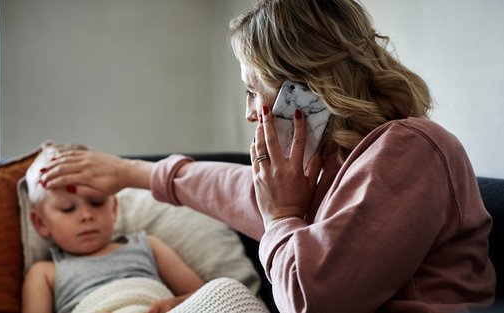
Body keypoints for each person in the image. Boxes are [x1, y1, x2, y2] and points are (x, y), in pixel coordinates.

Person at [38, 0, 496, 312]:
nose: (249, 112)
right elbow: (235, 191)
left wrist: (282, 214)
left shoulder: (412, 149)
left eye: (254, 90)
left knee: (224, 296)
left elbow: (312, 302)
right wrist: (129, 172)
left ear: (310, 83)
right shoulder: (335, 163)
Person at [21, 144, 204, 313]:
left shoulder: (148, 246)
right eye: (68, 208)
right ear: (41, 223)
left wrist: (175, 304)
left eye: (97, 202)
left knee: (226, 288)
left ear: (113, 209)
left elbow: (204, 295)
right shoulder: (44, 273)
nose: (86, 215)